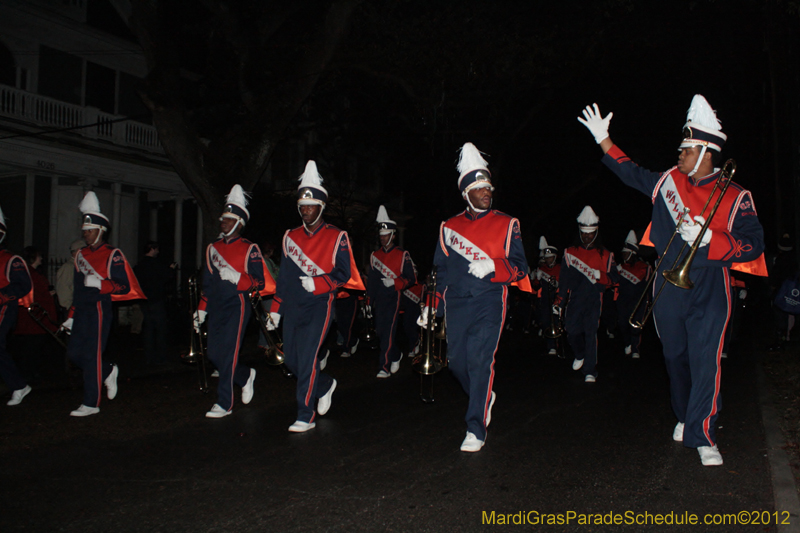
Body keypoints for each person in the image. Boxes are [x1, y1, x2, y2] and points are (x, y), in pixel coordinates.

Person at [578, 94, 767, 466]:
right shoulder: (668, 181)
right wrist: (604, 139)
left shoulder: (737, 195)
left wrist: (713, 239)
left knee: (705, 360)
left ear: (706, 151)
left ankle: (703, 434)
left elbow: (754, 243)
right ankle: (685, 415)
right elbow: (630, 171)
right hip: (667, 281)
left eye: (686, 149)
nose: (679, 154)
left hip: (711, 281)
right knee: (674, 355)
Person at [422, 142, 531, 452]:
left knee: (480, 361)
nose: (486, 191)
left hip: (488, 301)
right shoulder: (448, 227)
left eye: (488, 186)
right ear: (465, 192)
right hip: (456, 304)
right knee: (457, 365)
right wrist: (431, 308)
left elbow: (520, 269)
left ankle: (475, 427)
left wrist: (493, 266)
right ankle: (484, 396)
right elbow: (439, 274)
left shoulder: (507, 224)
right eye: (479, 187)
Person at [267, 161, 364, 432]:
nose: (306, 211)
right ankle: (324, 385)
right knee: (291, 361)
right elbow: (284, 278)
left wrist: (320, 283)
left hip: (320, 305)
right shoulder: (290, 237)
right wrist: (276, 309)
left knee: (308, 358)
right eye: (302, 207)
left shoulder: (337, 237)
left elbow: (344, 273)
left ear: (321, 207)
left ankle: (304, 414)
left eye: (311, 206)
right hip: (294, 307)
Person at [61, 192, 145, 417]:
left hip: (100, 311)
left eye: (89, 230)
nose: (86, 234)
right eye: (84, 231)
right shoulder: (80, 255)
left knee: (90, 356)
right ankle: (107, 370)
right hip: (82, 311)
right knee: (75, 354)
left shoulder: (113, 254)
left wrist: (101, 284)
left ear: (100, 230)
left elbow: (124, 286)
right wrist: (71, 314)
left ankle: (91, 403)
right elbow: (78, 291)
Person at [194, 185, 275, 418]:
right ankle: (245, 376)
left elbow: (261, 283)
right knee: (213, 355)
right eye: (223, 218)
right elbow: (207, 284)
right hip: (217, 305)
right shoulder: (213, 249)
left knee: (227, 354)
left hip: (237, 306)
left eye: (229, 219)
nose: (223, 222)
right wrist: (201, 310)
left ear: (239, 223)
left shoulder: (250, 249)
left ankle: (224, 403)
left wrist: (239, 278)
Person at [554, 206, 617, 383]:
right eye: (584, 233)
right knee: (571, 330)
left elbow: (614, 279)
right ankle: (580, 354)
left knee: (591, 333)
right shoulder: (569, 253)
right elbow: (564, 281)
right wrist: (559, 302)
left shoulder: (606, 255)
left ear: (596, 233)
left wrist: (601, 276)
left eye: (590, 233)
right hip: (575, 298)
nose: (587, 237)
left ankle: (590, 370)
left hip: (594, 299)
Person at [367, 205, 416, 378]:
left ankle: (384, 366)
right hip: (379, 300)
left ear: (393, 235)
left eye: (386, 235)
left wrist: (394, 282)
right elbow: (371, 282)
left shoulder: (403, 255)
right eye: (381, 235)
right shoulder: (374, 256)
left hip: (393, 298)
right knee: (381, 333)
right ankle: (395, 355)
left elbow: (412, 279)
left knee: (388, 331)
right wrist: (368, 302)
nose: (383, 238)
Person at [0, 203, 33, 406]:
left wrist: (2, 295)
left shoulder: (11, 259)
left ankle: (19, 385)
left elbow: (23, 285)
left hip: (4, 310)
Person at [12, 247, 59, 381]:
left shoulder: (29, 273)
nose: (41, 259)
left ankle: (28, 373)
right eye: (39, 256)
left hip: (32, 319)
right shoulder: (31, 275)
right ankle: (28, 375)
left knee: (30, 349)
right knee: (31, 349)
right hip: (33, 320)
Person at [134, 242, 177, 366]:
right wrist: (171, 269)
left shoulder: (140, 265)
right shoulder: (155, 264)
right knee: (160, 329)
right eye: (156, 249)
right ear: (152, 249)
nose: (158, 252)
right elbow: (165, 277)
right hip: (156, 300)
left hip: (144, 300)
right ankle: (161, 357)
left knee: (148, 328)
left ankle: (149, 356)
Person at [615, 231, 652, 359]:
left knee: (636, 325)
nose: (623, 255)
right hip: (623, 300)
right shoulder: (620, 267)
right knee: (623, 324)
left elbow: (646, 283)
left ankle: (635, 348)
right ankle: (627, 343)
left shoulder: (644, 266)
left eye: (625, 253)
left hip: (638, 301)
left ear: (632, 253)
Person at [532, 237, 561, 355]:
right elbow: (535, 288)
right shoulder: (541, 269)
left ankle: (556, 343)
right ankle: (551, 345)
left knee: (556, 321)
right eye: (546, 258)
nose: (548, 260)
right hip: (545, 300)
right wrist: (537, 279)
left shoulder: (560, 269)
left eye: (550, 257)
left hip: (557, 298)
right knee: (545, 322)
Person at [55, 239, 85, 317]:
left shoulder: (78, 266)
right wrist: (69, 306)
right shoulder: (68, 267)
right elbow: (63, 289)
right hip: (71, 309)